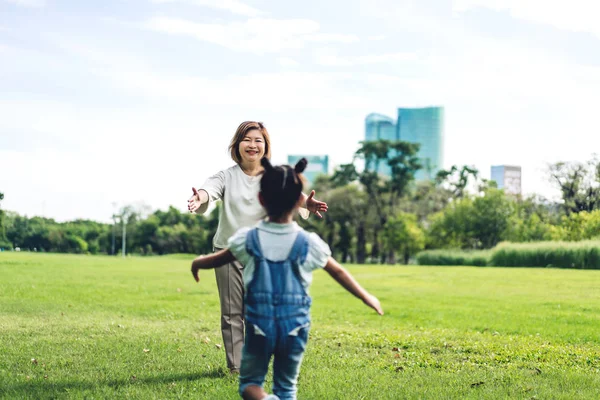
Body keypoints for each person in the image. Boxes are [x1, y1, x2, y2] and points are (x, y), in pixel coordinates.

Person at [191, 157, 383, 400]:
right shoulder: (309, 242)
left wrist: (197, 263)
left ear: (261, 200)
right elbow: (338, 271)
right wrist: (367, 296)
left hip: (259, 327)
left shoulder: (247, 239)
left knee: (250, 386)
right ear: (297, 202)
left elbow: (219, 258)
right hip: (296, 328)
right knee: (286, 389)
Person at [187, 121, 328, 374]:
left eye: (258, 140)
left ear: (265, 147)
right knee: (231, 313)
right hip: (228, 251)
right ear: (238, 144)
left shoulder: (271, 177)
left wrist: (308, 204)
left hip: (263, 253)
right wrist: (200, 198)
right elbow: (209, 190)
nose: (252, 145)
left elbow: (291, 194)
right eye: (247, 139)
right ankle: (237, 367)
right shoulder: (226, 176)